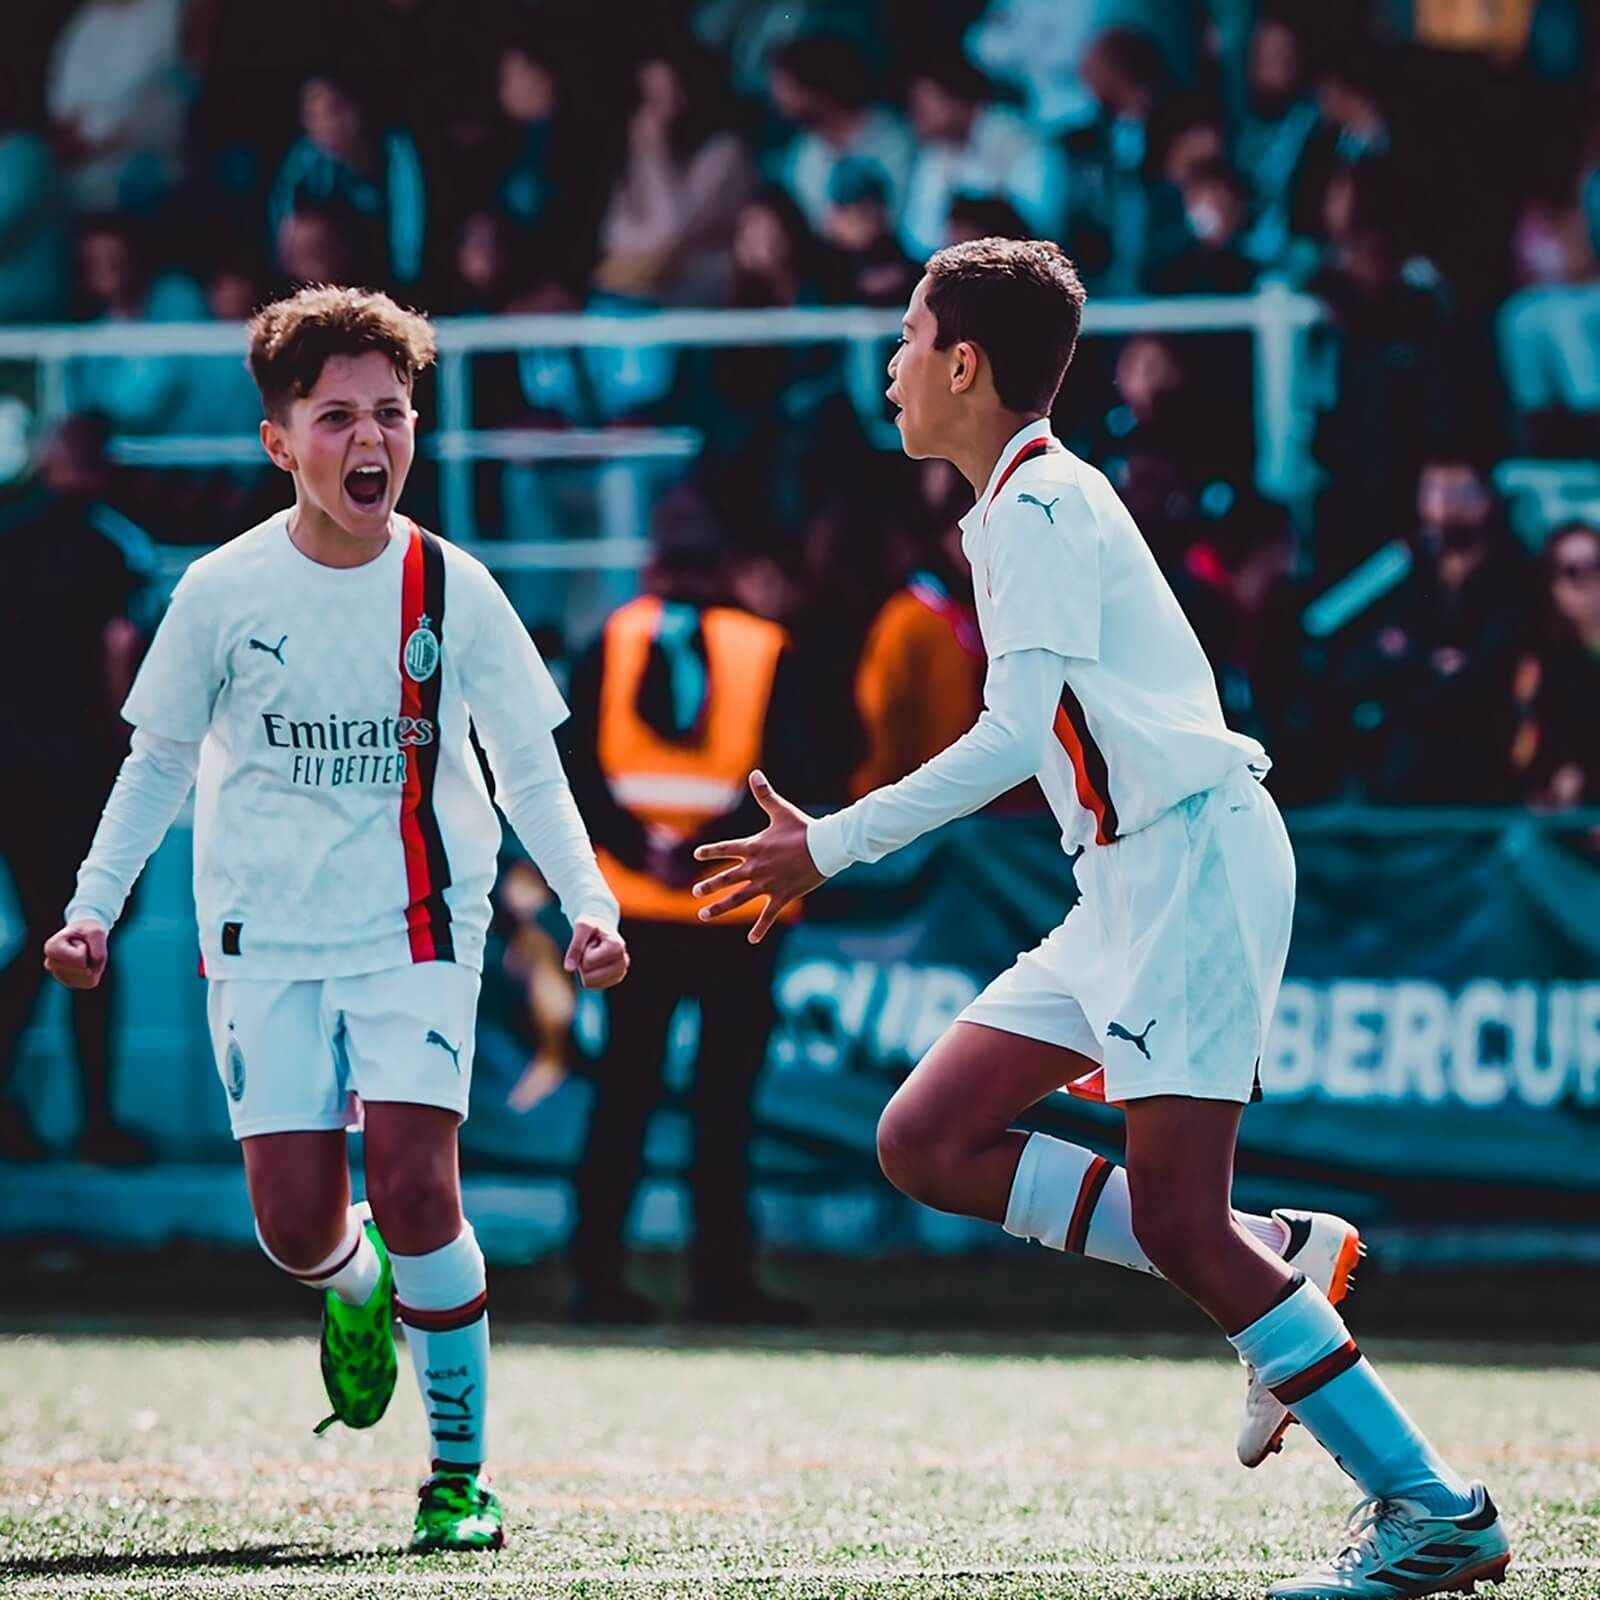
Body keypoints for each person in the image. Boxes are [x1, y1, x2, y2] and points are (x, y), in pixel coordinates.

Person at [692, 238, 1510, 1598]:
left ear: (962, 364)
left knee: (1186, 1228)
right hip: (1131, 878)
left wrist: (828, 846)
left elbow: (1015, 734)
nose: (889, 362)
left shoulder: (1040, 509)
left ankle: (1437, 1513)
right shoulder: (1020, 500)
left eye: (906, 335)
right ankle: (1281, 1257)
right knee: (924, 1137)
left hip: (1185, 863)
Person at [41, 285, 628, 1553]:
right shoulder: (219, 591)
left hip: (419, 921)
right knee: (298, 1222)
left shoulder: (453, 585)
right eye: (340, 417)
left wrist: (590, 903)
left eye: (394, 414)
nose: (372, 441)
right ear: (279, 441)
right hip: (261, 933)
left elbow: (529, 765)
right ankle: (352, 1289)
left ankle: (458, 1476)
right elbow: (154, 763)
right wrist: (92, 911)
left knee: (420, 1188)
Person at [561, 488, 806, 1326]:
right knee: (723, 1105)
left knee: (622, 1095)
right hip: (740, 904)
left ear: (655, 563)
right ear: (731, 567)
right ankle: (723, 1283)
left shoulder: (611, 638)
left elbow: (574, 772)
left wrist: (640, 850)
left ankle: (595, 1279)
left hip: (632, 909)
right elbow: (799, 775)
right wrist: (706, 848)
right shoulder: (772, 648)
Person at [0, 414, 157, 1165]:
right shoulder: (111, 542)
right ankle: (98, 1122)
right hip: (84, 770)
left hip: (14, 769)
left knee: (39, 935)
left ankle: (14, 1112)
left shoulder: (10, 532)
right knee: (90, 942)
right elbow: (120, 649)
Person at [1511, 522, 1600, 813]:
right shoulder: (1543, 664)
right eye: (1573, 572)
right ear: (1553, 585)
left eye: (1598, 564)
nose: (1593, 581)